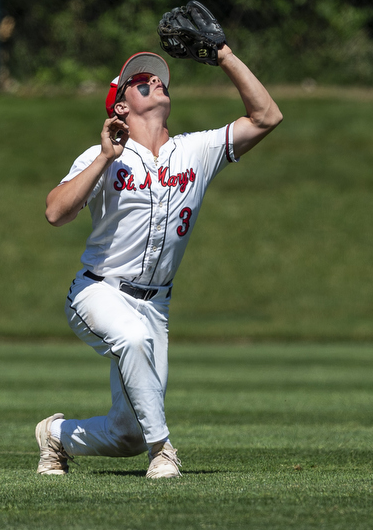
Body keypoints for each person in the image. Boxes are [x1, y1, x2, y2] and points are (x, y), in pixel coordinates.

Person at [36, 46, 282, 477]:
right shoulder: (103, 156)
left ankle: (56, 435)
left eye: (159, 79)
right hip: (98, 291)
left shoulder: (195, 151)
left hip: (156, 308)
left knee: (126, 433)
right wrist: (103, 158)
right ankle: (163, 451)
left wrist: (223, 55)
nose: (154, 81)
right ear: (120, 104)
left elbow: (266, 117)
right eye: (140, 80)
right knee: (129, 340)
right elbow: (56, 212)